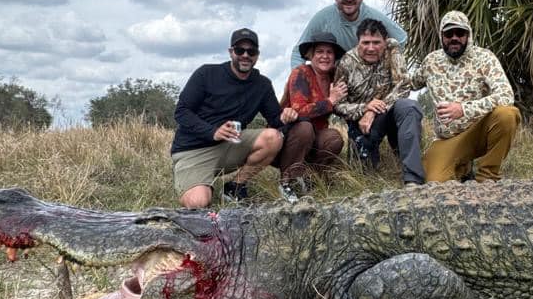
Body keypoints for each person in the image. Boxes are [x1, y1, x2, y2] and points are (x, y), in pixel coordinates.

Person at [170, 28, 286, 208]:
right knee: (198, 203)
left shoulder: (262, 84)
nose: (245, 55)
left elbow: (277, 120)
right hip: (193, 150)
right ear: (231, 52)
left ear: (257, 55)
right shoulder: (206, 74)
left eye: (251, 51)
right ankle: (195, 181)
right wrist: (212, 132)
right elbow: (181, 112)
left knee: (273, 138)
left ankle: (235, 186)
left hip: (231, 145)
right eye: (240, 50)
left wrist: (291, 114)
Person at [412, 10, 520, 183]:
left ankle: (487, 175)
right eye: (449, 33)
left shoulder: (485, 58)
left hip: (478, 133)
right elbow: (408, 83)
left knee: (507, 114)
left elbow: (506, 95)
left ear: (468, 35)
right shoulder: (431, 61)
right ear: (441, 36)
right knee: (433, 184)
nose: (454, 37)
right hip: (446, 139)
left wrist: (463, 109)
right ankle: (463, 167)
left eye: (460, 33)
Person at [335, 18, 425, 186]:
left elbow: (404, 86)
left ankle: (413, 179)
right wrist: (365, 108)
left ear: (385, 42)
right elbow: (338, 105)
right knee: (363, 174)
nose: (370, 48)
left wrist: (373, 110)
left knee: (409, 107)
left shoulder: (393, 49)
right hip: (360, 123)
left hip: (387, 113)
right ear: (358, 42)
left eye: (376, 42)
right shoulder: (346, 63)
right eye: (365, 42)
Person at [275, 32, 347, 202]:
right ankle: (287, 182)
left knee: (334, 138)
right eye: (319, 52)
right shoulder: (301, 73)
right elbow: (299, 111)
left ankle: (311, 179)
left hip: (316, 137)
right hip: (289, 136)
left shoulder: (334, 76)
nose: (325, 56)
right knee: (305, 128)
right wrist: (330, 101)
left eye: (329, 52)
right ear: (311, 55)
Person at [290, 0, 406, 66]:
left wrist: (384, 65)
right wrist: (298, 82)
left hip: (369, 79)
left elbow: (401, 40)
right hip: (336, 80)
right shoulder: (323, 17)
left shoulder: (374, 16)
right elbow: (297, 53)